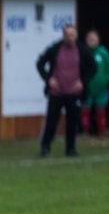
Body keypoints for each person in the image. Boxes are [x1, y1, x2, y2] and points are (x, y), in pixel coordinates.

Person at [36, 24, 95, 157]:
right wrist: (48, 79)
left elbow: (93, 68)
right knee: (51, 122)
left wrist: (83, 82)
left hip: (74, 93)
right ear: (63, 35)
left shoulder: (83, 50)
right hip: (56, 93)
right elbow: (40, 63)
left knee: (72, 123)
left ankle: (71, 149)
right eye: (67, 34)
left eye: (72, 34)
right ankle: (45, 147)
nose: (70, 37)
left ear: (76, 35)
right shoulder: (55, 49)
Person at [82, 29, 109, 139]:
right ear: (86, 40)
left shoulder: (103, 52)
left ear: (98, 39)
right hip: (87, 88)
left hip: (101, 89)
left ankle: (101, 133)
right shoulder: (83, 52)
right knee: (85, 110)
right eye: (89, 38)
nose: (92, 40)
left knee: (100, 110)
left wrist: (106, 80)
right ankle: (85, 133)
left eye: (94, 38)